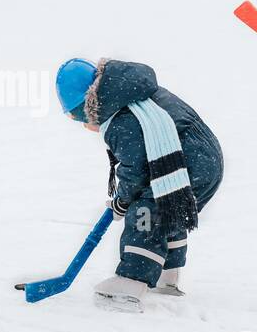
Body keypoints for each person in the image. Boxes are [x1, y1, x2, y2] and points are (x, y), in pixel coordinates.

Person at [55, 58, 223, 310]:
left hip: (190, 162)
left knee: (145, 212)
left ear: (88, 106)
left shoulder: (121, 122)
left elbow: (135, 170)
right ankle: (168, 275)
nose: (85, 126)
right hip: (205, 160)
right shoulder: (134, 95)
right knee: (169, 205)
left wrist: (122, 202)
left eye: (79, 118)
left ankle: (130, 284)